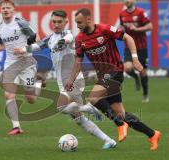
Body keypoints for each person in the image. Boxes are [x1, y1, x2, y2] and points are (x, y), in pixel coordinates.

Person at [15, 10, 117, 149]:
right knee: (78, 119)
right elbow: (37, 46)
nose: (56, 24)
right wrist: (22, 50)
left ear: (66, 22)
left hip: (73, 80)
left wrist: (63, 42)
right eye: (54, 22)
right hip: (62, 82)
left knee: (60, 107)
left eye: (59, 22)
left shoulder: (67, 35)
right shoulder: (50, 38)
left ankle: (89, 108)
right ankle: (108, 140)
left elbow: (69, 38)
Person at [64, 8, 161, 151]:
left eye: (79, 22)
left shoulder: (104, 29)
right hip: (103, 77)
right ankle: (152, 134)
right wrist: (71, 80)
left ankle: (120, 125)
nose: (77, 25)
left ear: (89, 19)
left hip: (115, 71)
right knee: (121, 114)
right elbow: (78, 61)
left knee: (93, 97)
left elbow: (128, 38)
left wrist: (134, 59)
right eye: (76, 22)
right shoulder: (79, 39)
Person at [0, 0, 41, 135]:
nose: (6, 10)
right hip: (10, 63)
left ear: (13, 9)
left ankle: (38, 84)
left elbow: (38, 40)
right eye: (3, 8)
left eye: (8, 7)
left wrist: (24, 49)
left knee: (30, 99)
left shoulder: (22, 23)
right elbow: (2, 45)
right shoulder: (0, 27)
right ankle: (16, 127)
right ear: (0, 10)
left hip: (26, 63)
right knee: (8, 94)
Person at [119, 0, 153, 102]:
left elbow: (150, 26)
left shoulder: (141, 12)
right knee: (127, 68)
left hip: (141, 47)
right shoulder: (122, 14)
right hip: (128, 46)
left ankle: (145, 94)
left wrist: (136, 29)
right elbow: (122, 27)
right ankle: (135, 77)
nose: (126, 1)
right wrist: (120, 30)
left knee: (142, 71)